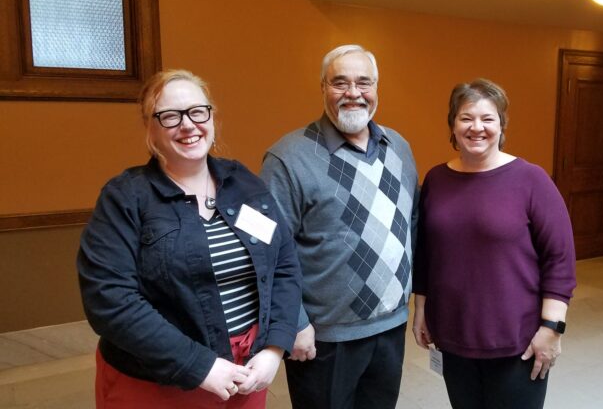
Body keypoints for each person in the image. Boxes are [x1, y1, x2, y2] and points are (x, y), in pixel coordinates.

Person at [77, 69, 302, 409]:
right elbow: (109, 300)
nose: (188, 124)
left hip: (247, 372)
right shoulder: (126, 197)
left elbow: (283, 264)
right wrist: (201, 365)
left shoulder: (243, 183)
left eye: (198, 111)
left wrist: (274, 349)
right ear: (150, 127)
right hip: (159, 380)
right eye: (170, 116)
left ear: (211, 117)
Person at [260, 44, 418, 409]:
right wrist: (294, 323)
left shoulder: (399, 148)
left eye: (364, 82)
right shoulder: (288, 158)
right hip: (324, 338)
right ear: (323, 88)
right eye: (340, 83)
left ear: (377, 88)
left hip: (390, 327)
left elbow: (410, 223)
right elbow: (266, 252)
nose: (353, 93)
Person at [412, 78, 576, 409]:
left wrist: (552, 329)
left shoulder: (531, 180)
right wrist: (421, 310)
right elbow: (426, 253)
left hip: (518, 341)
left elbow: (559, 258)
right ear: (452, 125)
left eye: (488, 118)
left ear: (501, 125)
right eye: (466, 117)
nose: (477, 127)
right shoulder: (436, 180)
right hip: (453, 336)